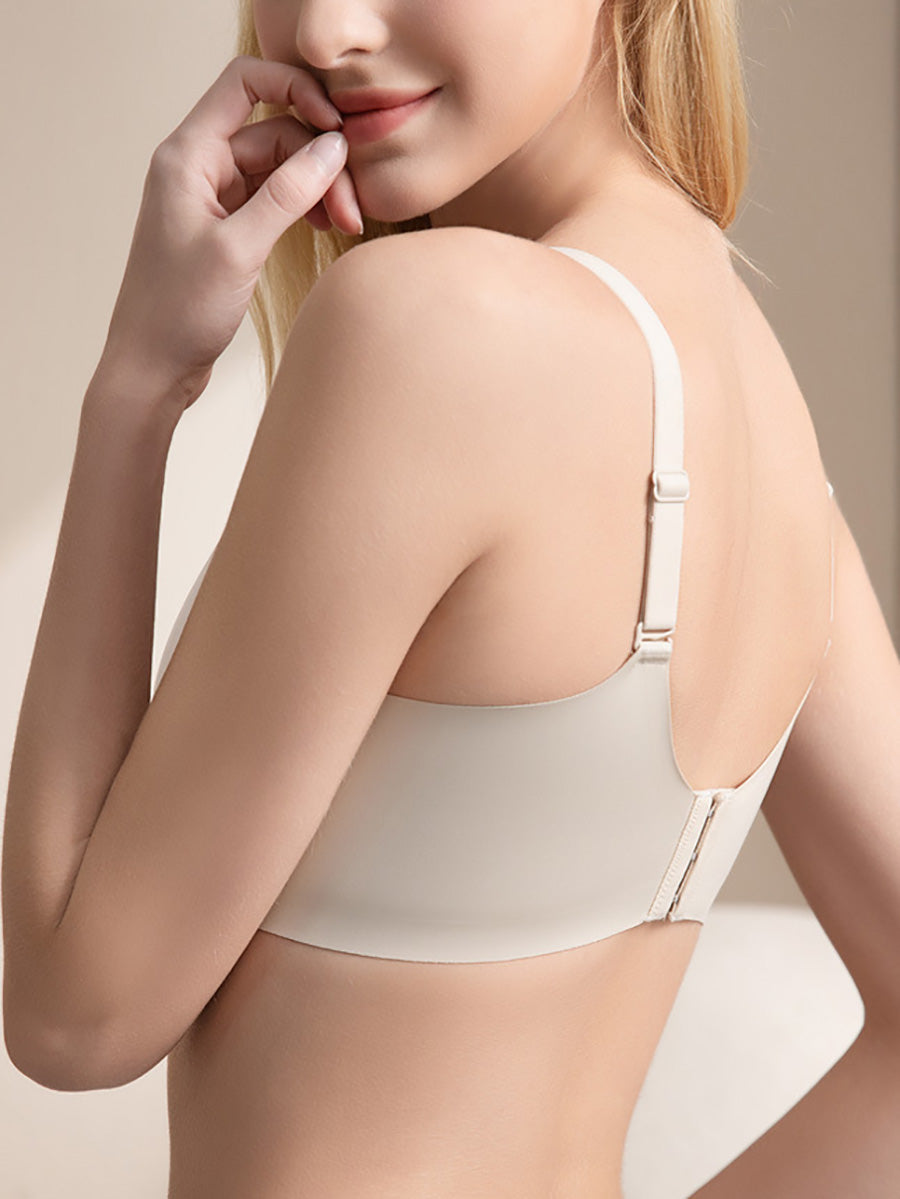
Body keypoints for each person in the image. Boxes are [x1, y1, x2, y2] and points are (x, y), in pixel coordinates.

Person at [3, 1, 899, 1196]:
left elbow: (75, 1018)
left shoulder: (429, 327)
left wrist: (139, 384)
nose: (324, 30)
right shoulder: (758, 396)